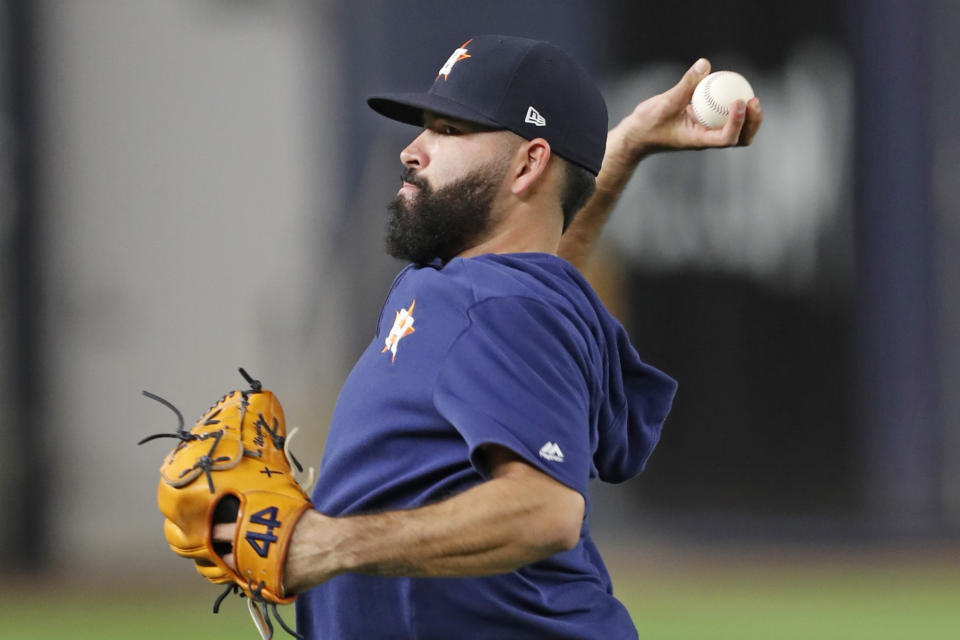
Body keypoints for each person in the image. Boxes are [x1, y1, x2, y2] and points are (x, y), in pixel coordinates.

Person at [215, 34, 761, 639]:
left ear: (528, 163)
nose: (413, 150)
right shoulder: (509, 293)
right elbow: (540, 258)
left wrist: (326, 545)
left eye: (449, 130)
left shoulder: (499, 307)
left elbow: (543, 513)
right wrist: (623, 148)